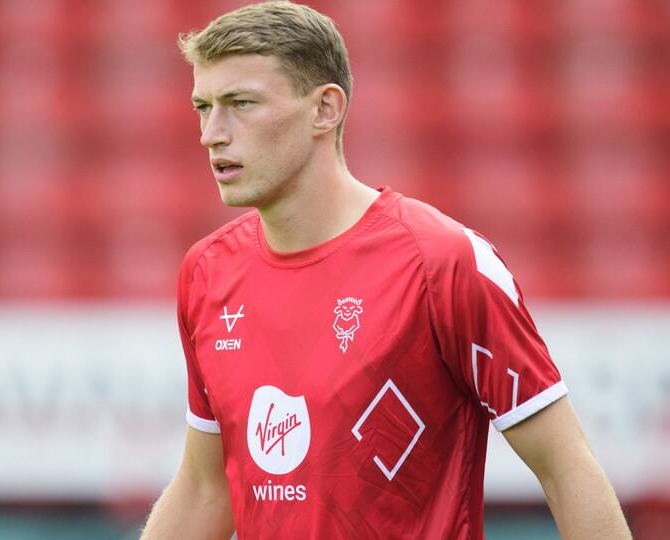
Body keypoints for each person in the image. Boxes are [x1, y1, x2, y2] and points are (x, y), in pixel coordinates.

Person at [139, 2, 632, 539]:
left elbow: (565, 468)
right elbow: (206, 488)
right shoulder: (207, 273)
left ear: (325, 110)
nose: (212, 133)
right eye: (203, 106)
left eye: (241, 104)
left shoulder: (441, 263)